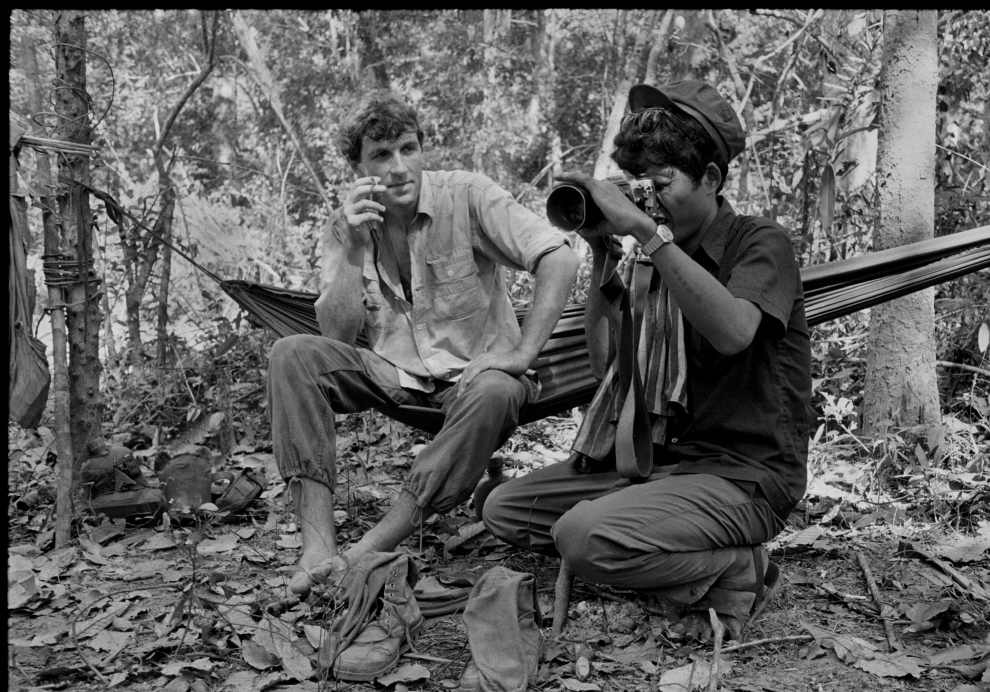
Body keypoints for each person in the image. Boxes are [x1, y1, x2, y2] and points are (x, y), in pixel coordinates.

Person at [482, 80, 812, 642]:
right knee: (508, 508)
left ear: (710, 178)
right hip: (662, 464)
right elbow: (607, 365)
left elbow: (734, 331)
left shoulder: (759, 243)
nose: (651, 200)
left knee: (583, 538)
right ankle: (651, 531)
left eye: (663, 183)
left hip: (744, 475)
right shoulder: (653, 261)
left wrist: (646, 233)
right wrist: (604, 255)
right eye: (641, 188)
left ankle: (737, 566)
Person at [267, 92, 579, 613]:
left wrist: (523, 353)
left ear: (422, 149)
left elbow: (558, 256)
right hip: (398, 376)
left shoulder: (467, 195)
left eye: (408, 149)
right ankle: (316, 552)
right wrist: (352, 251)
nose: (398, 167)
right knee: (292, 354)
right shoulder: (348, 224)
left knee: (498, 389)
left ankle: (369, 549)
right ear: (358, 167)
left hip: (479, 380)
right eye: (381, 156)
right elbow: (337, 337)